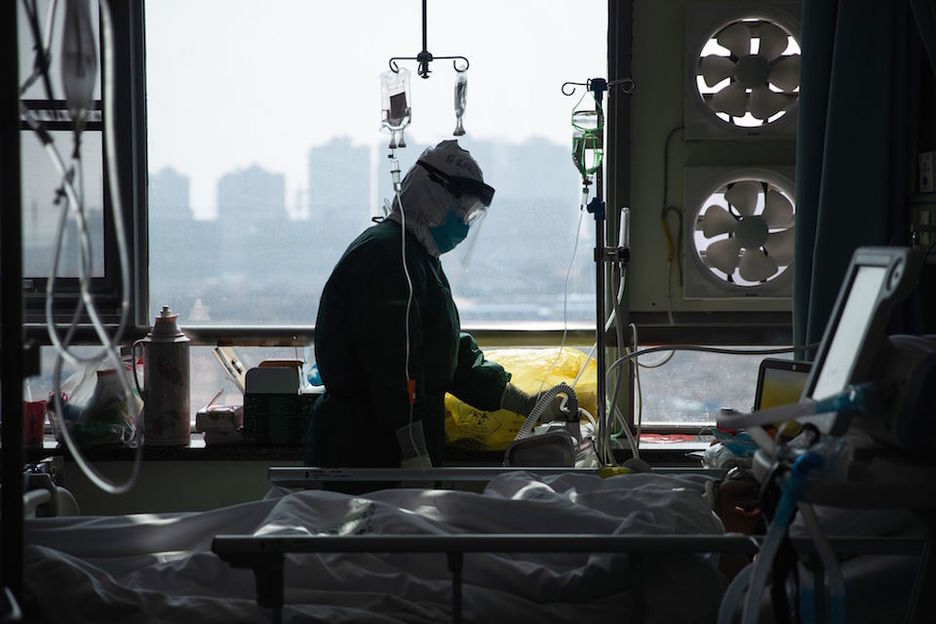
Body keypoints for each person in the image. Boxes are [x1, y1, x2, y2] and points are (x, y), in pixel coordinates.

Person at [307, 140, 560, 469]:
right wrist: (411, 447)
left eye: (471, 215)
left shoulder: (417, 257)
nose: (464, 224)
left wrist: (523, 402)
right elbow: (392, 363)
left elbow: (445, 350)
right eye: (462, 211)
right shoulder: (385, 258)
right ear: (433, 199)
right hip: (367, 449)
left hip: (396, 442)